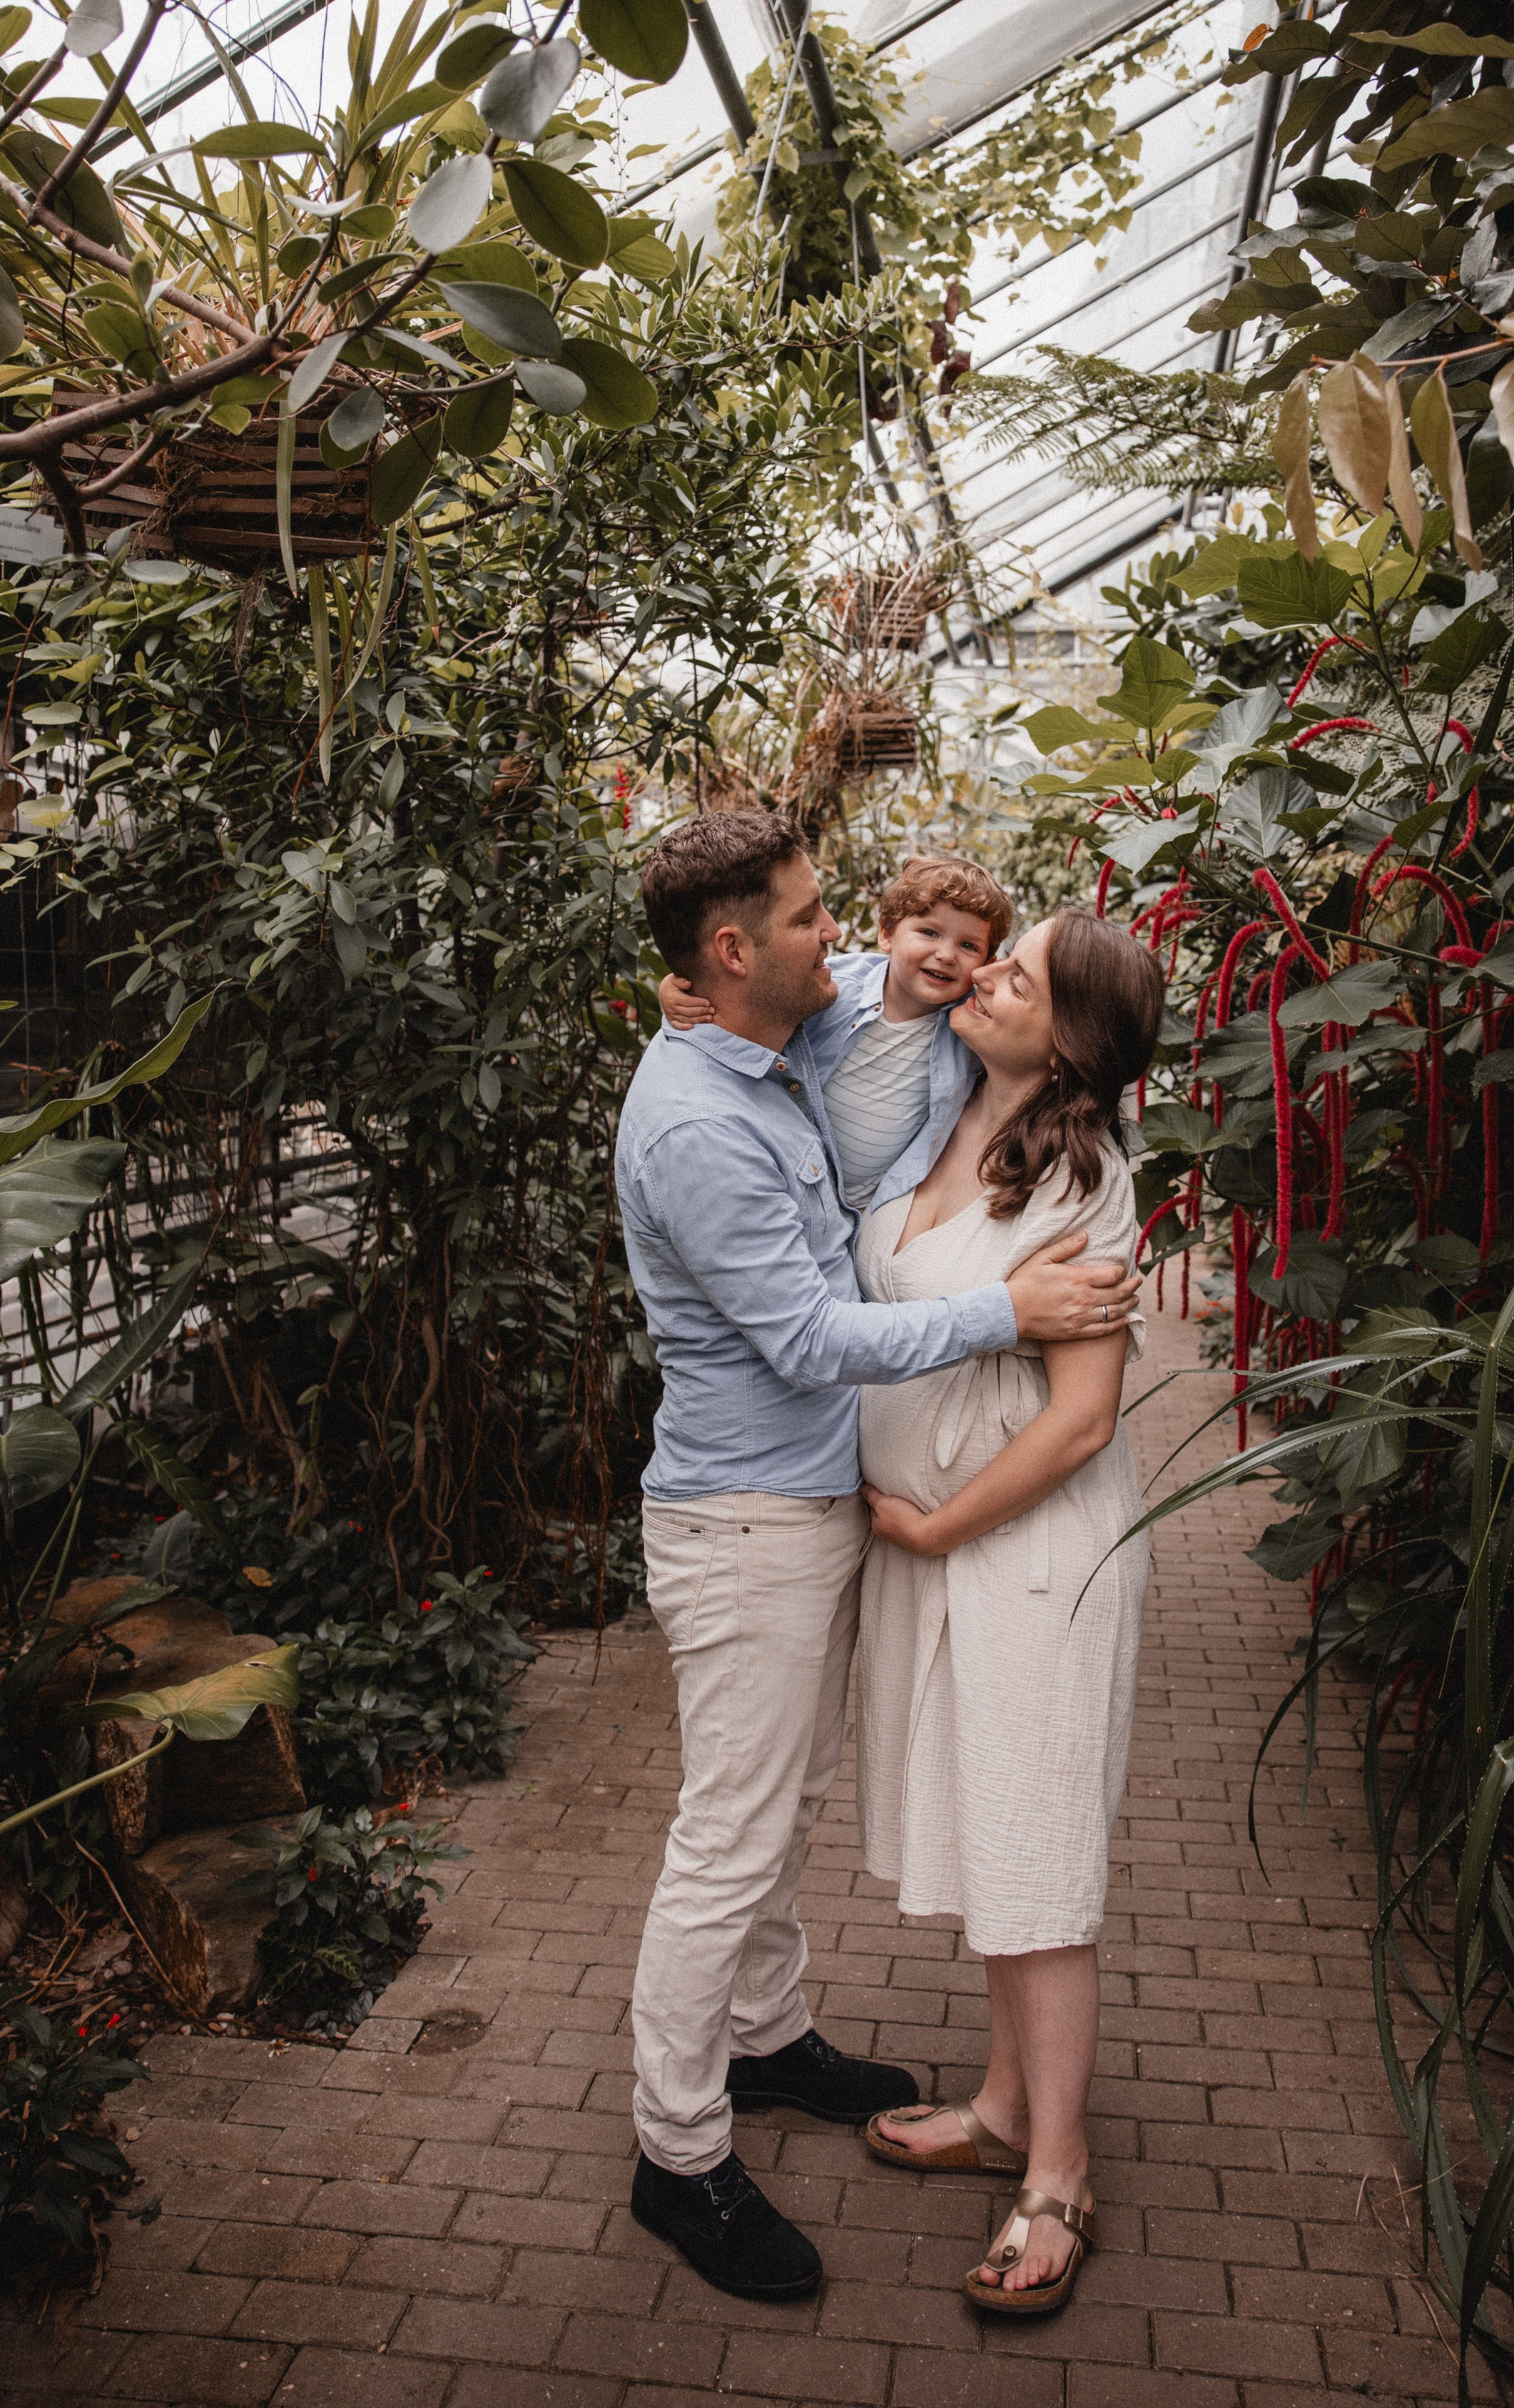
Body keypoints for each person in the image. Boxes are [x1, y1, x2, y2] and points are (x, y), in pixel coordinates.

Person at [614, 812, 1145, 2306]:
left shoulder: (798, 1052)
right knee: (731, 1833)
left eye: (1009, 973)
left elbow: (872, 980)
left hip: (891, 1533)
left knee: (787, 1812)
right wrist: (1002, 1322)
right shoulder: (710, 1113)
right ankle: (677, 2144)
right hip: (751, 1524)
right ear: (732, 953)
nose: (838, 944)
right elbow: (803, 1335)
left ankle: (775, 2040)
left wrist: (710, 999)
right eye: (802, 921)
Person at [855, 909, 1167, 2319]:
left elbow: (1085, 1422)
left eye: (1018, 975)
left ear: (1072, 1037)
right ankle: (993, 2107)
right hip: (945, 1556)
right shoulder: (938, 1110)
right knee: (991, 1832)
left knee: (1034, 1866)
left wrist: (935, 1523)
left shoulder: (1086, 1178)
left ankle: (1057, 2168)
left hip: (1028, 1557)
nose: (983, 974)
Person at [658, 850, 1014, 1212]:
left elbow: (1030, 1027)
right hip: (795, 1183)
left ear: (987, 965)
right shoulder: (836, 987)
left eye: (968, 946)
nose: (946, 955)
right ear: (887, 934)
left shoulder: (971, 1029)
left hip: (868, 1210)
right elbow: (745, 999)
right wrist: (677, 991)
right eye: (929, 932)